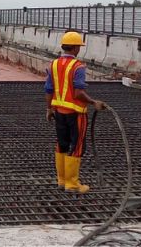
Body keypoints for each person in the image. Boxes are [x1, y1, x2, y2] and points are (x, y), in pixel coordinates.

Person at [45, 31, 106, 194]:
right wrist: (94, 102)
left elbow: (49, 89)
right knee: (77, 145)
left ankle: (62, 180)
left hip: (59, 112)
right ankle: (72, 184)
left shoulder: (54, 64)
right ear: (76, 48)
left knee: (62, 144)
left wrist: (49, 108)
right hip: (76, 113)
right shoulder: (78, 67)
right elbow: (78, 93)